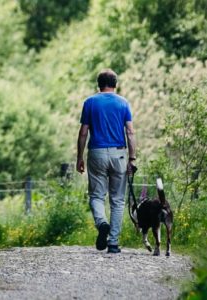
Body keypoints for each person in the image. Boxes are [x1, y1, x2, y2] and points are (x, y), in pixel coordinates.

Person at [76, 69, 136, 254]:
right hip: (119, 153)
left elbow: (83, 132)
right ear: (115, 84)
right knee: (117, 200)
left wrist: (79, 157)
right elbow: (130, 132)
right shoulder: (123, 103)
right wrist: (132, 157)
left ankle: (102, 223)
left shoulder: (90, 102)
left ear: (99, 84)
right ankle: (113, 243)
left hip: (97, 153)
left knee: (96, 196)